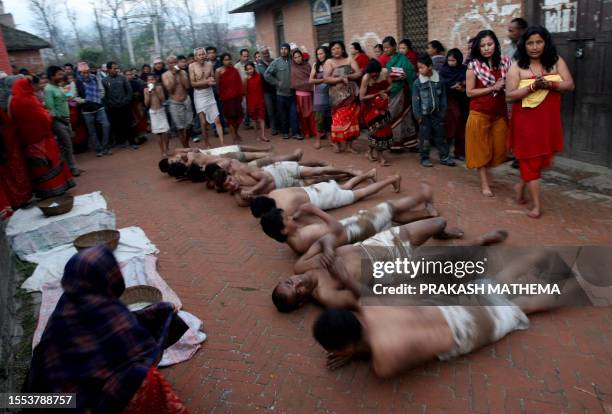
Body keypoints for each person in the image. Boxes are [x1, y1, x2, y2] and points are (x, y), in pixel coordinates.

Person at [22, 245, 189, 413]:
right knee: (145, 378)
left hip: (40, 400)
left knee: (158, 315)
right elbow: (143, 350)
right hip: (75, 404)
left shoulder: (68, 303)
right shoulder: (109, 314)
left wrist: (161, 310)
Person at [273, 218, 477, 312]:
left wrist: (327, 249)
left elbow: (325, 239)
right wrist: (344, 277)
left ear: (287, 278)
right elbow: (368, 299)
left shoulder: (301, 265)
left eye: (291, 283)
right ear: (301, 302)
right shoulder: (327, 295)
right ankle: (478, 243)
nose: (299, 284)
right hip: (392, 268)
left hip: (379, 243)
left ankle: (441, 233)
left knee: (439, 222)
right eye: (298, 292)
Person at [506, 26, 574, 218]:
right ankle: (536, 206)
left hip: (547, 123)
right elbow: (510, 96)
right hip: (526, 124)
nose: (534, 47)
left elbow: (569, 84)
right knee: (532, 162)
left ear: (546, 42)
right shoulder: (517, 66)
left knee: (541, 162)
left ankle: (519, 188)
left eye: (539, 42)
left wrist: (550, 84)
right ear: (524, 45)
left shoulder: (556, 61)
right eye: (530, 43)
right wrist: (534, 86)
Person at [256, 182, 435, 254]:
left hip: (353, 230)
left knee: (390, 216)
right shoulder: (302, 237)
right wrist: (314, 209)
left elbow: (320, 232)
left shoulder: (293, 239)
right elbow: (335, 229)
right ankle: (422, 197)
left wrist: (305, 217)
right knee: (389, 207)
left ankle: (426, 214)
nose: (291, 218)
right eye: (287, 219)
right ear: (284, 230)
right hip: (353, 230)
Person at [10, 78, 75, 198]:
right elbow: (42, 117)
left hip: (27, 140)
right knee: (51, 162)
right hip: (42, 138)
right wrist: (47, 114)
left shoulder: (13, 101)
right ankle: (58, 188)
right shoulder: (30, 99)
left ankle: (45, 192)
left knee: (39, 167)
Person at [465, 30, 512, 197]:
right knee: (480, 150)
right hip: (479, 113)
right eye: (483, 45)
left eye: (490, 44)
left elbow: (511, 85)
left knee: (499, 150)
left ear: (496, 45)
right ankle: (485, 183)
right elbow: (469, 92)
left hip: (500, 113)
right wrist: (493, 87)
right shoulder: (473, 66)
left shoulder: (506, 63)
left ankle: (486, 172)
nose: (486, 48)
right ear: (478, 47)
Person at [215, 161, 361, 200]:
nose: (231, 184)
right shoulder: (240, 198)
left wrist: (252, 190)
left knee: (317, 171)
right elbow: (264, 199)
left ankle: (350, 171)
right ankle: (345, 175)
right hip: (285, 186)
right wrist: (251, 196)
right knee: (320, 180)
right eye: (227, 185)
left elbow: (265, 179)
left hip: (281, 170)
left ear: (230, 175)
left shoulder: (243, 171)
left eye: (229, 180)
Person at [413, 54, 455, 167]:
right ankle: (424, 158)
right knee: (425, 138)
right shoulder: (418, 83)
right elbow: (415, 101)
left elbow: (443, 98)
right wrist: (418, 116)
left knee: (441, 137)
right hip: (424, 116)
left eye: (422, 67)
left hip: (438, 114)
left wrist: (443, 112)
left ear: (430, 66)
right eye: (418, 68)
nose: (420, 70)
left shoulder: (439, 80)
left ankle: (445, 157)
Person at [324, 41, 362, 153]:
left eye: (338, 48)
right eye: (333, 49)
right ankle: (337, 143)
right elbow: (326, 78)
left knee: (352, 120)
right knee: (337, 121)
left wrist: (348, 76)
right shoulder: (329, 62)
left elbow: (359, 73)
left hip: (350, 95)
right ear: (331, 51)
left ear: (343, 49)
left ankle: (350, 146)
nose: (336, 51)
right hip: (336, 97)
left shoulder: (349, 59)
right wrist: (340, 79)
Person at [45, 65, 82, 176]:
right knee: (66, 145)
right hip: (58, 122)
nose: (62, 76)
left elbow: (68, 96)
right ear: (52, 76)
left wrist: (70, 93)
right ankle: (71, 169)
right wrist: (62, 120)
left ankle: (70, 168)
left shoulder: (59, 86)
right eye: (59, 74)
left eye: (62, 74)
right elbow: (50, 110)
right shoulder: (48, 89)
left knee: (68, 145)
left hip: (66, 120)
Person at [383, 36, 417, 150]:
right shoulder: (385, 60)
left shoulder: (402, 58)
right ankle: (396, 142)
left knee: (404, 115)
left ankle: (409, 142)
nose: (386, 50)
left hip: (402, 90)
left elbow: (412, 70)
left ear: (394, 47)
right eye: (384, 48)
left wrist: (405, 75)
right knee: (393, 115)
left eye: (388, 48)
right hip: (391, 91)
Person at [360, 59, 393, 166]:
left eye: (376, 74)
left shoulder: (385, 72)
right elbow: (362, 97)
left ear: (379, 71)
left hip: (383, 105)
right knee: (378, 131)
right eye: (372, 74)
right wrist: (377, 94)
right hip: (369, 108)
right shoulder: (366, 78)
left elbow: (391, 86)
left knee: (380, 130)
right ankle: (380, 156)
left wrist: (385, 92)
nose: (374, 76)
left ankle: (369, 152)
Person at [0, 107, 32, 218]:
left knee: (14, 175)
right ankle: (16, 201)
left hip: (9, 145)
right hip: (6, 147)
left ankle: (18, 200)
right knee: (10, 176)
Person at [264, 43, 301, 139]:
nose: (283, 51)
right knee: (283, 115)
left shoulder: (293, 61)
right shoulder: (276, 62)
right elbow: (267, 74)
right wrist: (276, 82)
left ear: (289, 51)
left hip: (292, 94)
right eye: (282, 49)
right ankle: (285, 132)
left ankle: (295, 133)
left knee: (294, 115)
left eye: (285, 49)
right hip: (280, 94)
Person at [190, 47, 224, 148]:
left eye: (203, 54)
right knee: (203, 123)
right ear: (195, 57)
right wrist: (206, 81)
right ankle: (206, 143)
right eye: (199, 55)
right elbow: (192, 83)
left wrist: (212, 81)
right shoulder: (192, 66)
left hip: (209, 94)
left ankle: (222, 143)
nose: (201, 56)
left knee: (217, 120)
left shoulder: (209, 64)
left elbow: (212, 79)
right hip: (199, 95)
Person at [76, 62, 111, 157]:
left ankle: (105, 146)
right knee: (92, 131)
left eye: (87, 72)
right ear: (79, 73)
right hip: (86, 110)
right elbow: (72, 95)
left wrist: (99, 97)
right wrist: (83, 101)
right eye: (83, 72)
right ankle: (98, 149)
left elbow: (101, 89)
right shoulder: (76, 82)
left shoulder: (95, 78)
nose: (86, 74)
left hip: (99, 106)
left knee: (106, 125)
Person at [439, 49, 468, 161]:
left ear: (459, 60)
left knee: (462, 125)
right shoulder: (444, 70)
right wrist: (451, 86)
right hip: (449, 100)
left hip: (463, 100)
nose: (451, 62)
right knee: (452, 124)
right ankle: (445, 152)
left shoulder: (464, 69)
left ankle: (459, 152)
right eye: (449, 60)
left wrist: (462, 85)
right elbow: (441, 84)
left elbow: (468, 81)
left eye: (453, 60)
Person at [102, 61, 138, 149]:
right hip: (112, 107)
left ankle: (132, 142)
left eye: (117, 68)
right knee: (117, 125)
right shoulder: (104, 81)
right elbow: (104, 95)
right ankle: (121, 142)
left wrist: (126, 100)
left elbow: (129, 90)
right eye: (114, 68)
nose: (116, 70)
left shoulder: (123, 78)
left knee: (128, 124)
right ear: (108, 69)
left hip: (124, 105)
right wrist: (109, 103)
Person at [162, 55, 193, 149]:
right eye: (171, 63)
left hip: (186, 100)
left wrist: (179, 74)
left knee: (190, 125)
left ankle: (186, 143)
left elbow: (187, 86)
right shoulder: (165, 75)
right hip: (174, 103)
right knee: (180, 128)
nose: (173, 64)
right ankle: (186, 147)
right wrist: (174, 75)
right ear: (167, 64)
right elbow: (170, 89)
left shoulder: (183, 72)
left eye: (175, 62)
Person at [291, 49, 319, 147]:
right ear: (293, 59)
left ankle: (314, 131)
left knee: (311, 114)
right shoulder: (293, 68)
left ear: (302, 57)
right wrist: (306, 83)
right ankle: (306, 132)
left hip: (309, 94)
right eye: (295, 57)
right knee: (302, 115)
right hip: (299, 95)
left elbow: (313, 77)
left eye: (299, 56)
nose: (297, 59)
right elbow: (294, 83)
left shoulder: (307, 66)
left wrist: (308, 83)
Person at [216, 53, 245, 144]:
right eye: (225, 59)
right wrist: (221, 96)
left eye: (229, 59)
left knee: (239, 117)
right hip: (226, 99)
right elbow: (217, 85)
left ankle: (236, 133)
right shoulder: (218, 71)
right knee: (230, 118)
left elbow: (239, 83)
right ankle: (234, 137)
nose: (227, 61)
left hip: (236, 97)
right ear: (222, 61)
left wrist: (241, 94)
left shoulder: (234, 70)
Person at [309, 46, 332, 145]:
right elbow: (310, 80)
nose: (320, 56)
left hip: (330, 96)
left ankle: (330, 139)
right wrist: (323, 80)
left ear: (326, 53)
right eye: (318, 54)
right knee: (319, 119)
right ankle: (318, 140)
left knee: (329, 119)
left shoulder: (331, 64)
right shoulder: (316, 65)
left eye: (321, 53)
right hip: (319, 97)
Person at [144, 74, 171, 156]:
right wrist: (149, 93)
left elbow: (163, 100)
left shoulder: (159, 88)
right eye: (149, 80)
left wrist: (155, 90)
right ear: (147, 82)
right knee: (158, 133)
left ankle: (167, 148)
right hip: (153, 112)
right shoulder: (145, 90)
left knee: (166, 132)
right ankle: (162, 150)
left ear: (155, 80)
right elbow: (146, 104)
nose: (151, 81)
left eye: (152, 79)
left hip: (161, 111)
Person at [63, 72, 89, 153]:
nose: (71, 80)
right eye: (68, 79)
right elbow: (70, 97)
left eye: (72, 78)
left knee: (81, 130)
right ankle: (77, 148)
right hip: (71, 110)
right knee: (75, 131)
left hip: (77, 109)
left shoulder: (76, 85)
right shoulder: (65, 88)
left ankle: (84, 146)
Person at [255, 48, 279, 136]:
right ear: (261, 55)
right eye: (264, 53)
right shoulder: (259, 65)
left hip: (276, 89)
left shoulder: (274, 61)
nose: (266, 55)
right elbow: (266, 75)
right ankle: (273, 128)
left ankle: (279, 126)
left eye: (267, 53)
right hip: (266, 91)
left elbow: (277, 72)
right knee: (270, 110)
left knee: (278, 108)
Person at [205, 46, 228, 136]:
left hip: (221, 90)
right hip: (209, 91)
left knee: (221, 109)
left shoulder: (220, 63)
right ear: (206, 54)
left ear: (215, 53)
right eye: (209, 53)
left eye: (213, 52)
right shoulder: (204, 64)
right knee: (212, 110)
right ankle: (215, 128)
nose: (211, 54)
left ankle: (224, 126)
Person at [245, 61, 269, 142]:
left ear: (254, 68)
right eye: (247, 69)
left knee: (262, 118)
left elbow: (264, 87)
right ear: (246, 71)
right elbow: (245, 92)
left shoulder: (260, 76)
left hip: (260, 101)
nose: (249, 70)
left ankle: (263, 135)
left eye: (251, 68)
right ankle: (256, 136)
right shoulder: (245, 79)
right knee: (254, 120)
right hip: (251, 102)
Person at [126, 69, 149, 144]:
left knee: (140, 120)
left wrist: (138, 95)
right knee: (133, 121)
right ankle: (134, 137)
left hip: (137, 103)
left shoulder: (136, 82)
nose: (129, 76)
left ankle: (142, 136)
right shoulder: (123, 83)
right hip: (128, 105)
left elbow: (141, 92)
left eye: (130, 74)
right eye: (127, 74)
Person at [234, 48, 253, 130]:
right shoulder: (236, 66)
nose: (246, 58)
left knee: (251, 106)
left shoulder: (251, 64)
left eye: (247, 56)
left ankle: (251, 121)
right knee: (245, 107)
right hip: (242, 91)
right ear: (240, 56)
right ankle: (246, 122)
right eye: (244, 56)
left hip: (252, 89)